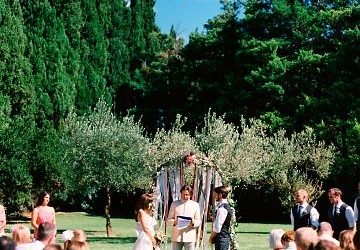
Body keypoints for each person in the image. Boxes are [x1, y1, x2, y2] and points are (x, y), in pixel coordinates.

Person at [167, 185, 200, 250]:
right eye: (183, 194)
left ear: (190, 194)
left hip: (190, 236)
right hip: (176, 236)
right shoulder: (174, 204)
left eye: (187, 195)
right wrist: (175, 221)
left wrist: (193, 223)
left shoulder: (195, 205)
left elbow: (198, 221)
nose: (185, 196)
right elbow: (168, 219)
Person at [209, 186, 233, 250]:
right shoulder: (226, 206)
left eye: (215, 194)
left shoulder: (222, 209)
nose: (214, 196)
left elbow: (217, 228)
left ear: (220, 195)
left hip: (221, 239)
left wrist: (211, 238)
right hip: (224, 238)